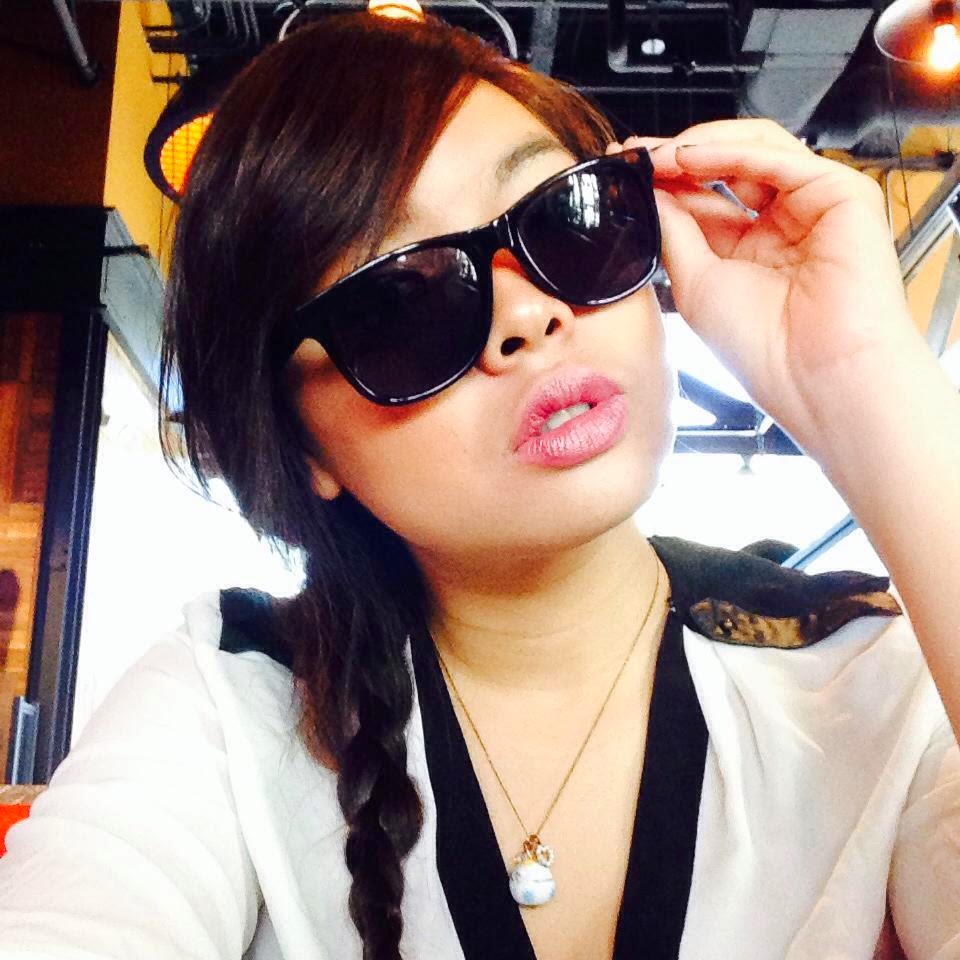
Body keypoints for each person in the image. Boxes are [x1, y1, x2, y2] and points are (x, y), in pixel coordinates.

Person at [1, 13, 958, 960]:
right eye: (400, 298)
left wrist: (867, 387)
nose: (530, 313)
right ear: (302, 447)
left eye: (564, 218)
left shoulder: (876, 677)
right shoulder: (227, 704)